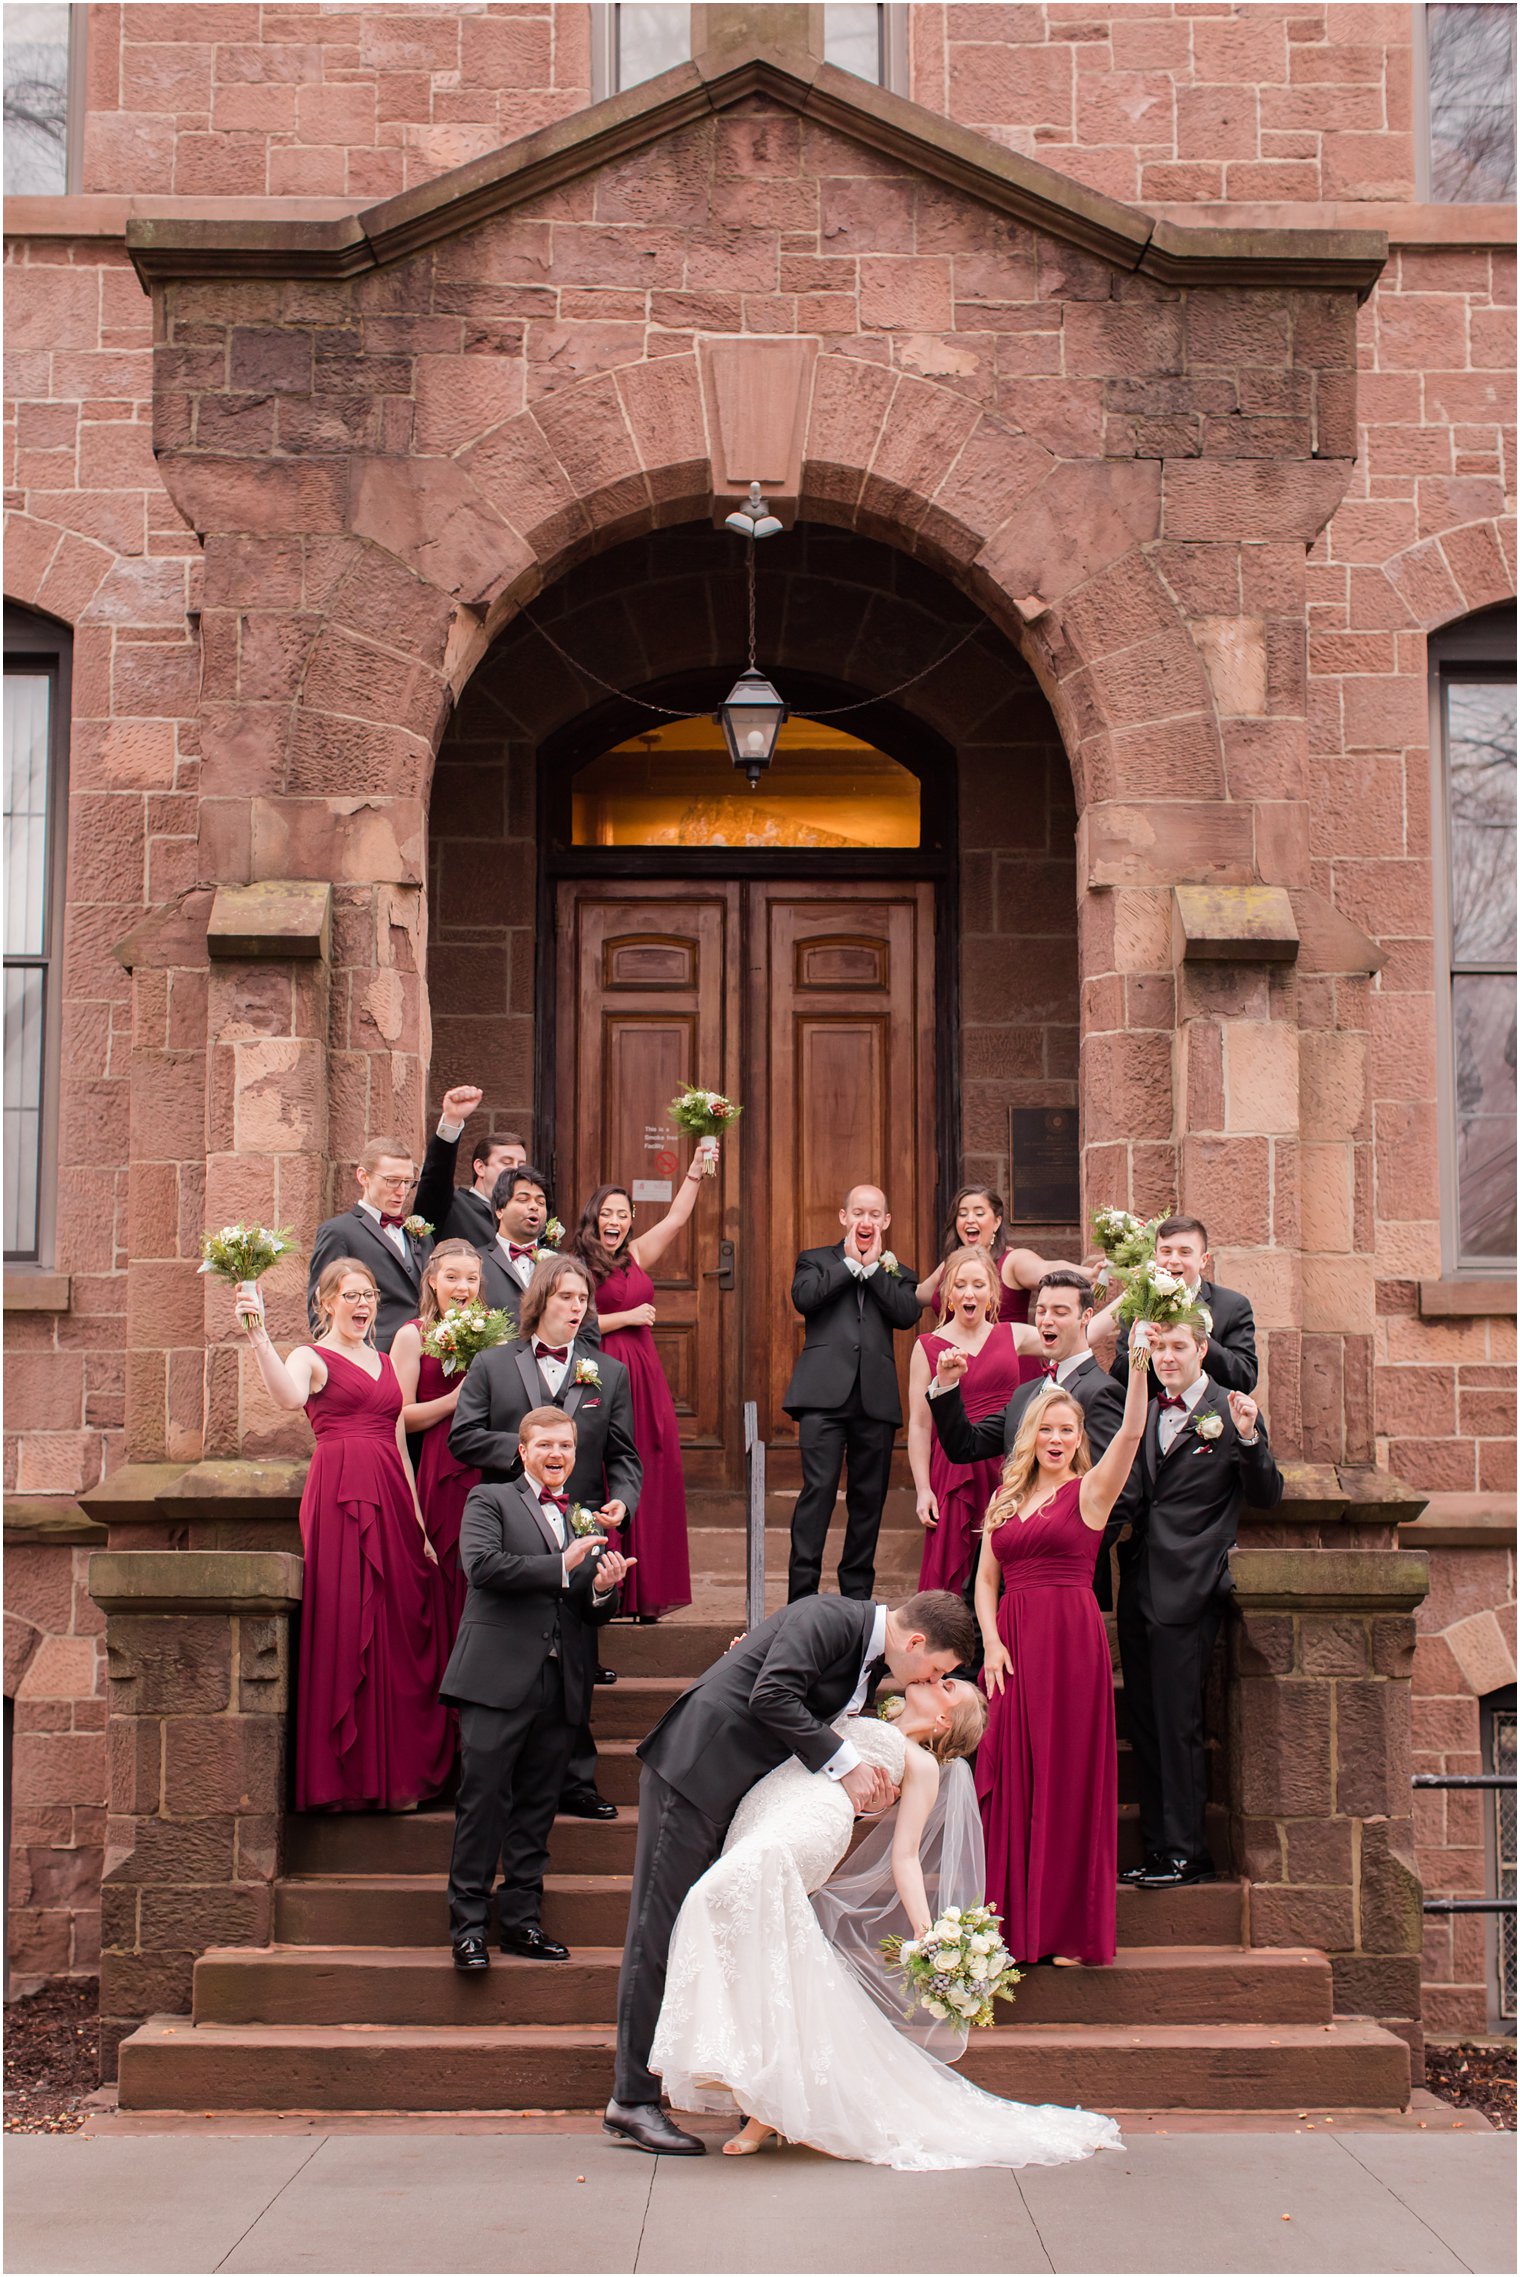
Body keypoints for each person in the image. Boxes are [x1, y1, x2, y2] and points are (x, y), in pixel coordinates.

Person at [647, 1674, 1119, 2171]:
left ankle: (744, 2076)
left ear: (943, 1719)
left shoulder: (918, 1763)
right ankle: (768, 2102)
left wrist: (926, 1930)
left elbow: (907, 1855)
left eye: (948, 1685)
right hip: (769, 1809)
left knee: (708, 1898)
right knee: (770, 1953)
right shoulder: (862, 1708)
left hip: (809, 1826)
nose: (937, 1677)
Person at [604, 1587, 979, 2157]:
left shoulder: (872, 1661)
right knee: (658, 1927)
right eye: (936, 1668)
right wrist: (849, 1767)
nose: (926, 1680)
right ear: (916, 1641)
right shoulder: (830, 1617)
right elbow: (771, 1694)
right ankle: (631, 2100)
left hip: (740, 1793)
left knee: (701, 1925)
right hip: (695, 1770)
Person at [236, 1259, 453, 1813]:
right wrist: (259, 1333)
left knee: (399, 1624)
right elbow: (286, 1398)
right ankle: (348, 1780)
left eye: (371, 1295)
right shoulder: (312, 1357)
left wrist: (422, 1525)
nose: (363, 1304)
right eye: (352, 1295)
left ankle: (399, 1773)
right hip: (339, 1500)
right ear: (326, 1301)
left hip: (394, 1498)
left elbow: (400, 1444)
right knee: (348, 1617)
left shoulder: (383, 1361)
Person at [972, 1335, 1151, 1969]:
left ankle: (1070, 1930)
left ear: (1079, 1438)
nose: (1056, 1438)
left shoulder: (1091, 1494)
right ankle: (1013, 1924)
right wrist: (990, 1642)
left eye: (1067, 1429)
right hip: (1013, 1647)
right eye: (1046, 1428)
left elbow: (1130, 1433)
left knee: (1069, 1778)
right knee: (1013, 1771)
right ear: (1031, 1435)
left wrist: (1136, 1365)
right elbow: (985, 1580)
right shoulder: (1006, 1498)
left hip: (1071, 1645)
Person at [450, 1253, 641, 1821]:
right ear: (540, 1300)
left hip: (579, 1523)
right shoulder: (492, 1364)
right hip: (511, 1521)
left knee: (577, 1648)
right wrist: (530, 1447)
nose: (576, 1307)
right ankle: (505, 1772)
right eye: (565, 1297)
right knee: (518, 1641)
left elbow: (623, 1456)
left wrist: (623, 1501)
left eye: (583, 1299)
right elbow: (464, 1438)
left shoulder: (607, 1372)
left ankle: (576, 1779)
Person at [442, 1407, 632, 1972]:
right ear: (522, 1451)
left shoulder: (580, 1517)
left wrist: (600, 1588)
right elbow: (480, 1566)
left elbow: (584, 1607)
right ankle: (469, 1929)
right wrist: (560, 1563)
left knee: (537, 1808)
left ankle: (521, 1922)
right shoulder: (490, 1501)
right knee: (482, 1805)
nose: (557, 1455)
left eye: (567, 1446)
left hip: (559, 1680)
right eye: (546, 1444)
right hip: (496, 1678)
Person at [1117, 1315, 1283, 1890]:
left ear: (1202, 1348)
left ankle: (1190, 1854)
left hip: (1189, 1589)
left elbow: (1268, 1494)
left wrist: (1250, 1436)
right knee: (1146, 1722)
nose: (1166, 1356)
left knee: (1179, 1723)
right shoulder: (1143, 1406)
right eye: (1157, 1346)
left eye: (1177, 1346)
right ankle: (1161, 1848)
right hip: (1138, 1583)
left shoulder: (1228, 1407)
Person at [927, 1268, 1135, 1618]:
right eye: (1041, 1311)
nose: (1046, 1320)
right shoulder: (1026, 1393)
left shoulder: (1102, 1392)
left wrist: (1062, 1554)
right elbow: (965, 1445)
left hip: (1059, 1579)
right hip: (1001, 1567)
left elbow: (1120, 1493)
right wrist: (947, 1386)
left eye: (1060, 1311)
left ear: (1086, 1317)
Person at [566, 1143, 715, 1625]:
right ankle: (609, 1590)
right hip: (602, 1369)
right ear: (594, 1218)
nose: (616, 1221)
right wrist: (627, 1315)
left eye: (624, 1214)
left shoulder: (633, 1254)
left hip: (645, 1372)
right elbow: (575, 1322)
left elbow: (674, 1220)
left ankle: (648, 1588)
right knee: (609, 1468)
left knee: (652, 1463)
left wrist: (693, 1172)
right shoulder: (577, 1263)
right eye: (607, 1213)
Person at [784, 1184, 922, 1602]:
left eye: (874, 1214)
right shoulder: (814, 1261)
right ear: (844, 1217)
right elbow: (805, 1299)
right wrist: (848, 1265)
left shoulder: (899, 1272)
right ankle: (802, 1596)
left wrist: (877, 1268)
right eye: (858, 1213)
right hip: (822, 1398)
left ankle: (856, 1597)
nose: (866, 1221)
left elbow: (906, 1314)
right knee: (818, 1492)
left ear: (886, 1221)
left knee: (868, 1501)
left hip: (874, 1401)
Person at [907, 1246, 1042, 1596]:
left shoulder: (1014, 1335)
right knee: (954, 1572)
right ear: (948, 1294)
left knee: (1007, 1567)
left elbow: (1075, 1339)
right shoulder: (927, 1346)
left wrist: (1125, 1298)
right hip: (954, 1472)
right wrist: (923, 1489)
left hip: (1007, 1467)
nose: (970, 1292)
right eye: (961, 1284)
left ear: (992, 1292)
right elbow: (920, 1426)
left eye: (979, 1284)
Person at [390, 1238, 488, 1639]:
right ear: (432, 1281)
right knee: (447, 1567)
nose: (462, 1287)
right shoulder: (413, 1335)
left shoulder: (494, 1334)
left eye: (472, 1278)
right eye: (452, 1277)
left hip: (489, 1463)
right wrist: (451, 1402)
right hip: (438, 1463)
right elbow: (398, 1417)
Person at [306, 1121, 456, 1352]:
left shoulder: (419, 1232)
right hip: (372, 1353)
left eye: (407, 1182)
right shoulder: (338, 1231)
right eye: (392, 1181)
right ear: (363, 1177)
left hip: (427, 1353)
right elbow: (320, 1306)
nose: (401, 1191)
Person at [1095, 1214, 1257, 1396]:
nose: (1173, 1260)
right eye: (1166, 1251)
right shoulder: (1138, 1303)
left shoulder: (1233, 1305)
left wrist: (1197, 1338)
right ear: (1155, 1256)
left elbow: (1245, 1378)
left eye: (1185, 1252)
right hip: (1152, 1417)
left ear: (1203, 1259)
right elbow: (1119, 1378)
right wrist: (1141, 1348)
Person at [914, 1186, 1088, 1326]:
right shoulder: (949, 1266)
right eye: (962, 1214)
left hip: (1009, 1364)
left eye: (979, 1213)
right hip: (957, 1364)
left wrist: (1089, 1274)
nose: (969, 1219)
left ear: (996, 1222)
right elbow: (916, 1295)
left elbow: (1048, 1269)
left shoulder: (1012, 1261)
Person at [436, 1124, 530, 1249]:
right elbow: (436, 1177)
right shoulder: (453, 1205)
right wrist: (451, 1121)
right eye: (507, 1162)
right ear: (480, 1167)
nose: (516, 1170)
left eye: (521, 1165)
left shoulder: (528, 1214)